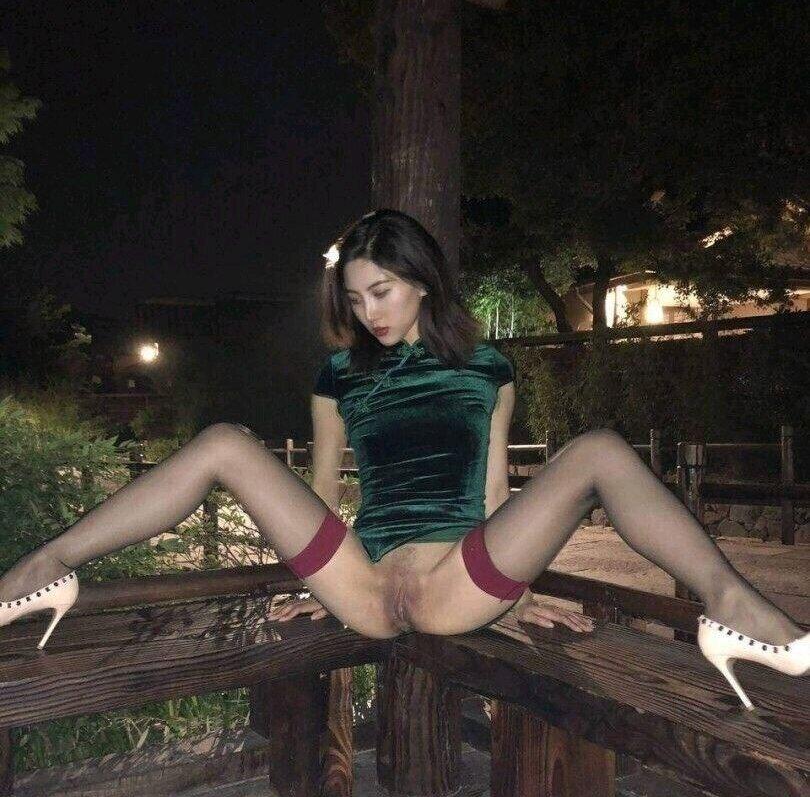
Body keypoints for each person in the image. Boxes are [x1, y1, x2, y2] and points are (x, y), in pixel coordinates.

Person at [0, 209, 807, 711]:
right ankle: (49, 566)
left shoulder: (488, 369)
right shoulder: (339, 375)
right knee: (222, 442)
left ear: (422, 281)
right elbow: (321, 492)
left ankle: (729, 601)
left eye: (381, 291)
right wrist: (314, 584)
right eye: (355, 299)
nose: (368, 312)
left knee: (597, 450)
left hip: (457, 581)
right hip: (363, 584)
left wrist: (509, 597)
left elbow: (493, 495)